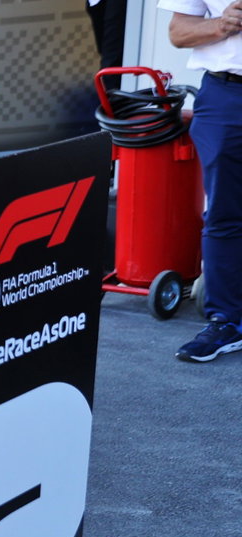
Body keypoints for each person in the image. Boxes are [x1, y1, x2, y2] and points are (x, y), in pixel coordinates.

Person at [161, 0, 242, 362]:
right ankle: (226, 321)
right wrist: (223, 24)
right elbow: (179, 32)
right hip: (226, 95)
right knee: (224, 211)